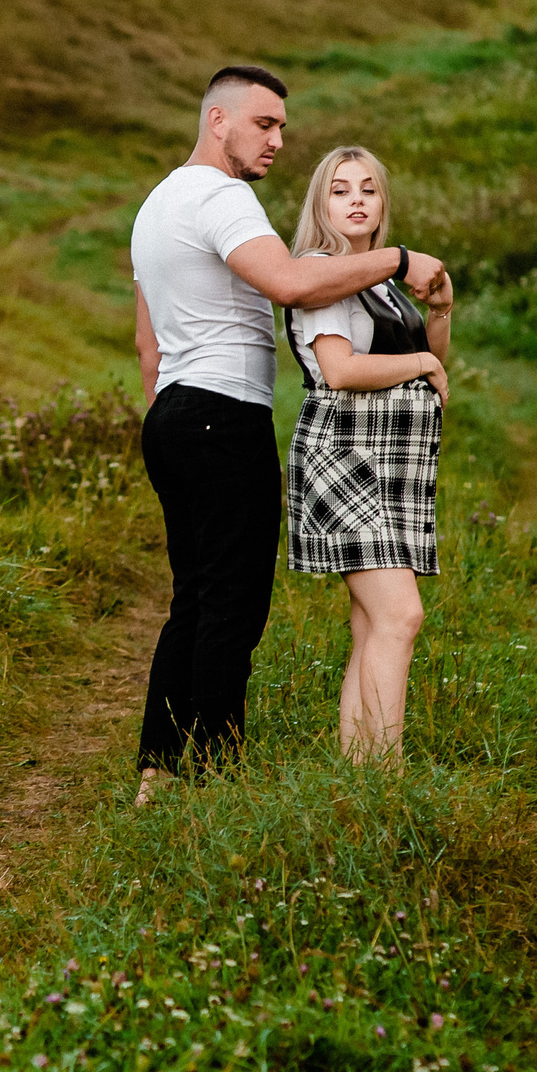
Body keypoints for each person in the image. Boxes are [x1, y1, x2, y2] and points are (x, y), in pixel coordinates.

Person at [130, 66, 445, 804]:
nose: (278, 139)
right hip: (219, 414)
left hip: (174, 412)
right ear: (219, 121)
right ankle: (213, 779)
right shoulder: (220, 195)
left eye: (280, 126)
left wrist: (167, 416)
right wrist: (401, 259)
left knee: (195, 600)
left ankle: (159, 770)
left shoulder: (155, 205)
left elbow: (147, 342)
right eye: (265, 124)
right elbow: (295, 286)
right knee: (232, 607)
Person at [283, 147, 453, 763]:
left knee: (371, 624)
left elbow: (430, 359)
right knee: (400, 616)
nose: (355, 200)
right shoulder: (322, 272)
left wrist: (438, 310)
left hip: (391, 460)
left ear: (383, 203)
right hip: (348, 455)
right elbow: (339, 369)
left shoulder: (378, 283)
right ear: (320, 204)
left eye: (368, 189)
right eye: (339, 190)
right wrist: (422, 362)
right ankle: (383, 776)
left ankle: (358, 775)